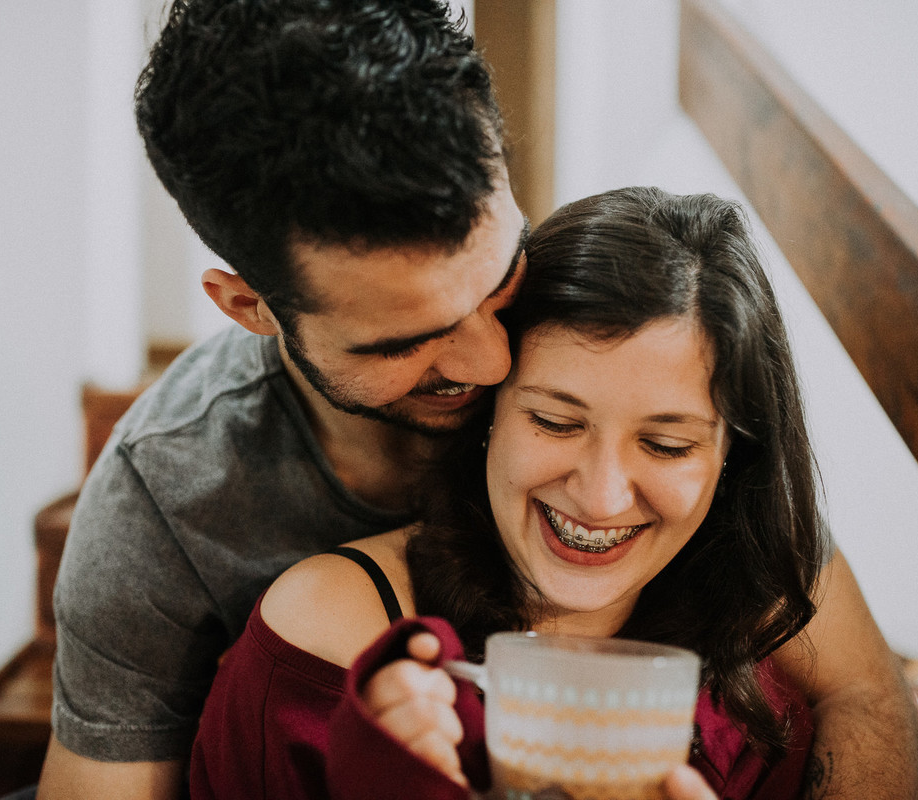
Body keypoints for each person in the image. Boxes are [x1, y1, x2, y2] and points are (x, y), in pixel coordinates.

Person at [39, 1, 918, 797]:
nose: (492, 355)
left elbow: (868, 697)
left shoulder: (604, 333)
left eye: (499, 278)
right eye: (405, 340)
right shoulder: (164, 498)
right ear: (252, 308)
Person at [189, 187, 841, 799]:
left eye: (667, 445)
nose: (602, 497)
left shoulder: (763, 682)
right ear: (489, 411)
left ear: (733, 459)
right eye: (555, 422)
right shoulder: (334, 643)